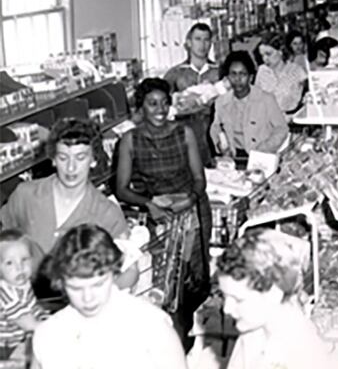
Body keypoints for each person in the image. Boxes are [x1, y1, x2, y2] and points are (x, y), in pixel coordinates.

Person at [115, 78, 211, 346]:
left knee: (197, 279)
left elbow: (199, 179)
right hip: (160, 215)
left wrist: (190, 199)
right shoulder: (130, 140)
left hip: (191, 208)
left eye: (164, 103)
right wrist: (150, 204)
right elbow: (121, 189)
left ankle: (190, 330)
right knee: (167, 282)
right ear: (141, 107)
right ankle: (174, 341)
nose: (159, 110)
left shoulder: (184, 133)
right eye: (152, 104)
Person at [31, 224, 186, 369]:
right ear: (61, 281)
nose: (87, 298)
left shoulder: (151, 325)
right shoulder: (49, 334)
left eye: (98, 285)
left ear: (114, 273)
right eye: (75, 288)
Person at [0, 118, 130, 253]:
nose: (71, 167)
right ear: (53, 159)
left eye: (80, 158)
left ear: (93, 160)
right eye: (63, 158)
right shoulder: (25, 195)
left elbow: (128, 269)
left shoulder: (108, 214)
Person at [216, 228, 335, 369]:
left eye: (238, 299)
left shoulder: (302, 354)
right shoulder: (253, 332)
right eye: (224, 296)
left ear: (274, 293)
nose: (226, 309)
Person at [211, 51, 289, 159]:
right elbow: (215, 128)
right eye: (233, 74)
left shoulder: (266, 99)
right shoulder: (221, 102)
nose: (238, 79)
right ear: (228, 77)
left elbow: (282, 130)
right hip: (234, 158)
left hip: (262, 156)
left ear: (251, 77)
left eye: (243, 74)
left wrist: (262, 150)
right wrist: (221, 145)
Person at [0, 229, 47, 351]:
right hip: (5, 349)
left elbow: (34, 309)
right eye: (9, 263)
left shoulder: (24, 284)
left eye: (24, 259)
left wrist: (48, 318)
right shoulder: (4, 293)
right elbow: (29, 324)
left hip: (20, 341)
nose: (19, 267)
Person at [253, 32, 309, 116]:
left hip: (292, 121)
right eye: (262, 55)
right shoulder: (262, 71)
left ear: (280, 51)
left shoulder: (297, 71)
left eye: (268, 54)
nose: (265, 59)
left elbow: (308, 99)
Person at [163, 22, 219, 92]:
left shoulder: (220, 72)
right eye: (198, 39)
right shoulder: (175, 74)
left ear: (211, 43)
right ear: (189, 42)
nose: (202, 44)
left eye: (206, 40)